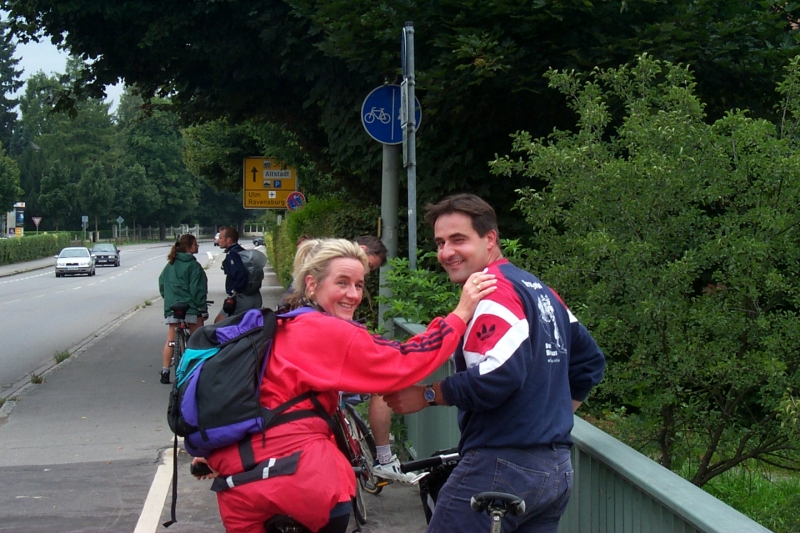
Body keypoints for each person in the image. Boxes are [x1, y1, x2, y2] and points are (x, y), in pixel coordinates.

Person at [192, 238, 497, 533]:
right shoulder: (326, 330)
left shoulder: (281, 326)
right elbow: (406, 361)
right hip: (299, 483)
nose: (353, 294)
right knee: (334, 492)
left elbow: (243, 396)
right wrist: (460, 314)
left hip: (239, 490)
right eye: (342, 283)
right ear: (311, 284)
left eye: (359, 284)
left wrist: (209, 449)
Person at [385, 194, 606, 533]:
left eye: (458, 239)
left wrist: (428, 394)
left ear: (490, 239)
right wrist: (547, 418)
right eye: (440, 242)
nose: (446, 252)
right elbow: (589, 363)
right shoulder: (542, 291)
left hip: (500, 467)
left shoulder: (494, 293)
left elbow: (497, 376)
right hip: (555, 469)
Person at [158, 234, 208, 384]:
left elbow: (162, 286)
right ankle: (197, 371)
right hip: (191, 308)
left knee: (170, 339)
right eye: (195, 244)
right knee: (198, 338)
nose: (198, 246)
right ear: (188, 247)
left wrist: (169, 300)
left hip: (173, 307)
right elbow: (197, 290)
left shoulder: (170, 265)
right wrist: (202, 309)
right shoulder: (194, 266)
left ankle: (165, 371)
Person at [215, 226, 263, 323]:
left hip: (242, 298)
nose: (218, 240)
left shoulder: (232, 255)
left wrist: (234, 291)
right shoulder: (243, 252)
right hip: (255, 296)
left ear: (228, 240)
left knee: (218, 325)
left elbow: (240, 275)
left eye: (220, 238)